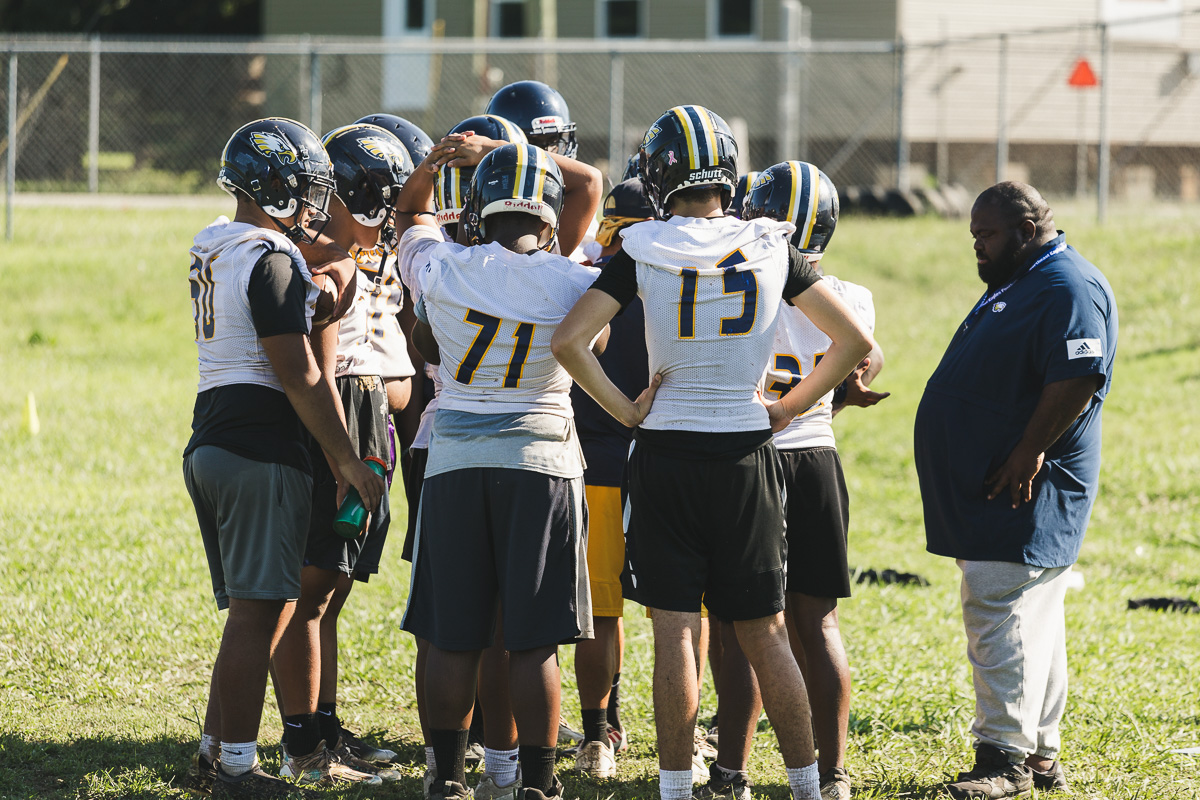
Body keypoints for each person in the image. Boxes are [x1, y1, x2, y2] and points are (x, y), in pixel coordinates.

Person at [552, 105, 875, 800]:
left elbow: (569, 342)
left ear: (658, 174)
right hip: (746, 452)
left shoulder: (642, 245)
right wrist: (788, 408)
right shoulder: (769, 242)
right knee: (766, 632)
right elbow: (852, 342)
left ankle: (674, 788)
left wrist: (626, 411)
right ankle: (808, 786)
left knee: (675, 632)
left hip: (666, 451)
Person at [182, 117, 385, 799]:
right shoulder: (269, 257)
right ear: (274, 185)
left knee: (248, 613)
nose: (315, 204)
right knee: (260, 615)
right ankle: (237, 769)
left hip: (211, 439)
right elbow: (299, 374)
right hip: (259, 447)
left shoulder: (216, 241)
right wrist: (346, 460)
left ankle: (214, 752)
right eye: (306, 187)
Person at [398, 142, 607, 800]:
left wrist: (433, 165)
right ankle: (537, 783)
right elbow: (596, 339)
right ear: (549, 216)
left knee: (452, 637)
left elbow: (410, 220)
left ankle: (444, 777)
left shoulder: (441, 266)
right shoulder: (574, 280)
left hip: (455, 459)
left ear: (476, 210)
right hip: (541, 461)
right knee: (534, 641)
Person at [914, 182, 1118, 800]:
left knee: (999, 605)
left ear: (1027, 230)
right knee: (1035, 617)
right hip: (1003, 480)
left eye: (988, 235)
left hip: (1029, 483)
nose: (977, 246)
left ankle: (1002, 759)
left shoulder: (1068, 286)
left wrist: (1029, 448)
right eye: (974, 234)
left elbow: (1079, 374)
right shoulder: (1023, 277)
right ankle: (1040, 755)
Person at [698, 161, 890, 800]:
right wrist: (843, 387)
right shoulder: (853, 296)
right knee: (819, 623)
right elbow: (867, 356)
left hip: (754, 458)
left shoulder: (738, 281)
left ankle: (731, 771)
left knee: (742, 627)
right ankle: (832, 775)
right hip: (817, 460)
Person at [270, 122, 416, 786]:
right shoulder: (320, 254)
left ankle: (324, 726)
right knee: (311, 589)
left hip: (371, 422)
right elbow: (322, 368)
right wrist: (341, 455)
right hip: (342, 422)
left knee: (331, 592)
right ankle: (303, 740)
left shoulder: (368, 253)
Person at [566, 178, 655, 779]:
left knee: (601, 611)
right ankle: (684, 736)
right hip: (664, 463)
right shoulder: (688, 277)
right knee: (680, 613)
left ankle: (600, 732)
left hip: (597, 459)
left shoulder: (585, 278)